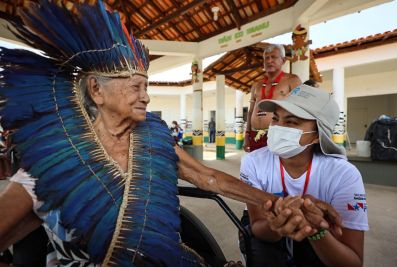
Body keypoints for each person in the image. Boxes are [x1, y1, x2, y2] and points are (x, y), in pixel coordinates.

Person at [0, 1, 339, 266]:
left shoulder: (153, 135)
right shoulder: (53, 164)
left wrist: (276, 203)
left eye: (147, 85)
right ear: (96, 90)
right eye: (135, 86)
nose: (145, 95)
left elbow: (209, 178)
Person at [240, 84, 368, 267]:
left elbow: (352, 261)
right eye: (275, 118)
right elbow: (258, 226)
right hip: (270, 232)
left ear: (317, 135)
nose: (278, 127)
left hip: (319, 232)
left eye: (291, 122)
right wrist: (281, 221)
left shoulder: (344, 175)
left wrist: (315, 230)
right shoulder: (253, 162)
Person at [244, 44, 302, 152]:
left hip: (279, 135)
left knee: (276, 167)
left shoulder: (292, 80)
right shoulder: (256, 85)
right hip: (255, 135)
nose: (269, 61)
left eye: (274, 57)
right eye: (266, 58)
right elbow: (251, 111)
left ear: (283, 60)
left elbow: (300, 109)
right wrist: (247, 135)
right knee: (256, 167)